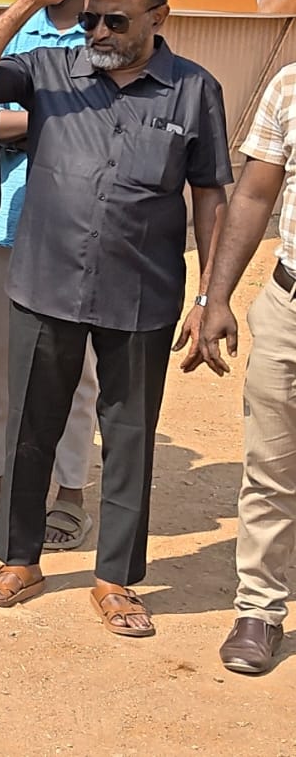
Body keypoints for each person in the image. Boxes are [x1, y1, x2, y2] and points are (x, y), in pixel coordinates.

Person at [0, 0, 231, 637]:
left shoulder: (195, 89)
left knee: (128, 437)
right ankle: (19, 559)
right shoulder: (49, 70)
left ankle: (115, 578)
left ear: (159, 17)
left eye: (115, 21)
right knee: (29, 427)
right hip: (46, 283)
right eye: (90, 19)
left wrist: (211, 296)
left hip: (142, 294)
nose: (97, 32)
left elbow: (209, 194)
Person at [0, 0, 112, 547]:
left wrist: (31, 120)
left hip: (81, 237)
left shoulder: (112, 33)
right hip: (8, 225)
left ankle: (69, 493)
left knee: (74, 374)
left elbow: (107, 127)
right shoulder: (20, 33)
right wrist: (51, 120)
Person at [193, 63, 296, 674]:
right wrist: (216, 296)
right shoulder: (289, 85)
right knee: (271, 467)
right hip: (289, 307)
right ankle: (259, 609)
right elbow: (256, 195)